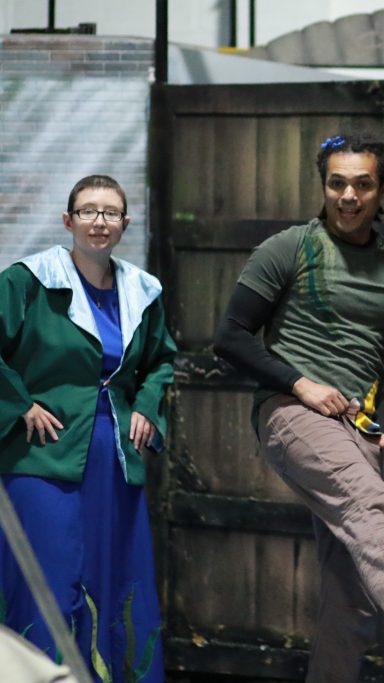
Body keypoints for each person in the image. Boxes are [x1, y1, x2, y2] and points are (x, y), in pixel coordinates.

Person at [212, 133, 384, 682]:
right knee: (368, 503)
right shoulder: (288, 248)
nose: (348, 196)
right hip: (291, 413)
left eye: (361, 184)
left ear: (382, 192)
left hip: (358, 428)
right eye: (337, 184)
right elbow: (232, 337)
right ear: (324, 187)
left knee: (349, 593)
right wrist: (301, 383)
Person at [0, 175, 176, 681]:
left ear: (125, 223)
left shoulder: (142, 290)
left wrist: (146, 404)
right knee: (46, 584)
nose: (99, 221)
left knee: (115, 579)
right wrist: (20, 405)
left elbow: (161, 360)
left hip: (114, 460)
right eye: (88, 211)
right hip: (41, 456)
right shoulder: (27, 281)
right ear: (68, 220)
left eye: (110, 212)